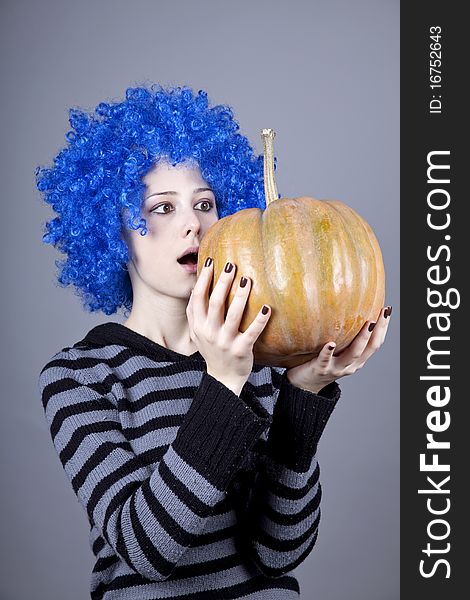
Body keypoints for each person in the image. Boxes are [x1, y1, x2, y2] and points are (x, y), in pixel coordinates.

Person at [37, 83, 392, 600]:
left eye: (205, 203)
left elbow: (279, 553)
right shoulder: (79, 377)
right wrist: (223, 381)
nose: (193, 224)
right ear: (115, 230)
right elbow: (147, 548)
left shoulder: (264, 360)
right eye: (161, 208)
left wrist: (304, 396)